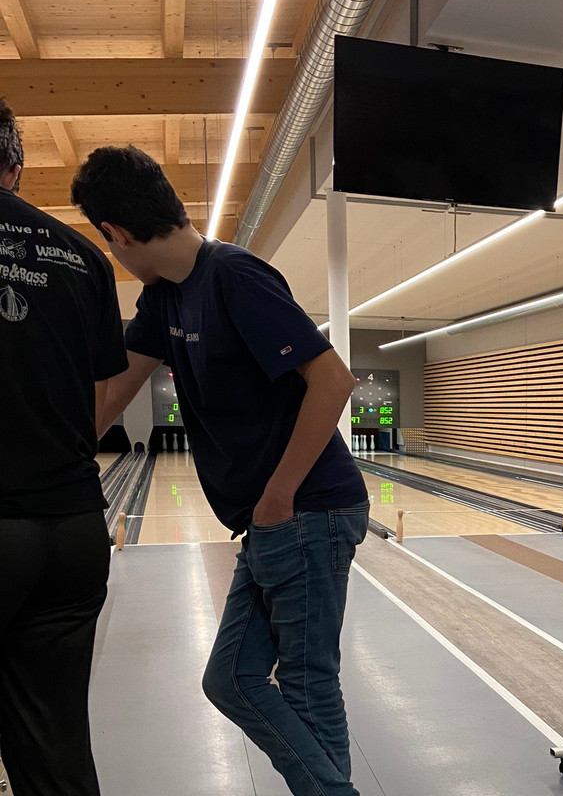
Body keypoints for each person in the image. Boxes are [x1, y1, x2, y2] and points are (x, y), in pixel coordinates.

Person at [72, 145, 369, 796]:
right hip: (273, 520)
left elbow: (333, 380)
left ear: (114, 233)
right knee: (230, 679)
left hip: (309, 508)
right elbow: (111, 396)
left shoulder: (234, 276)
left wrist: (278, 496)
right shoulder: (164, 299)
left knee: (307, 681)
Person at [0, 98, 127, 795]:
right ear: (16, 167)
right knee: (55, 751)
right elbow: (99, 395)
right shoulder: (82, 256)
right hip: (73, 532)